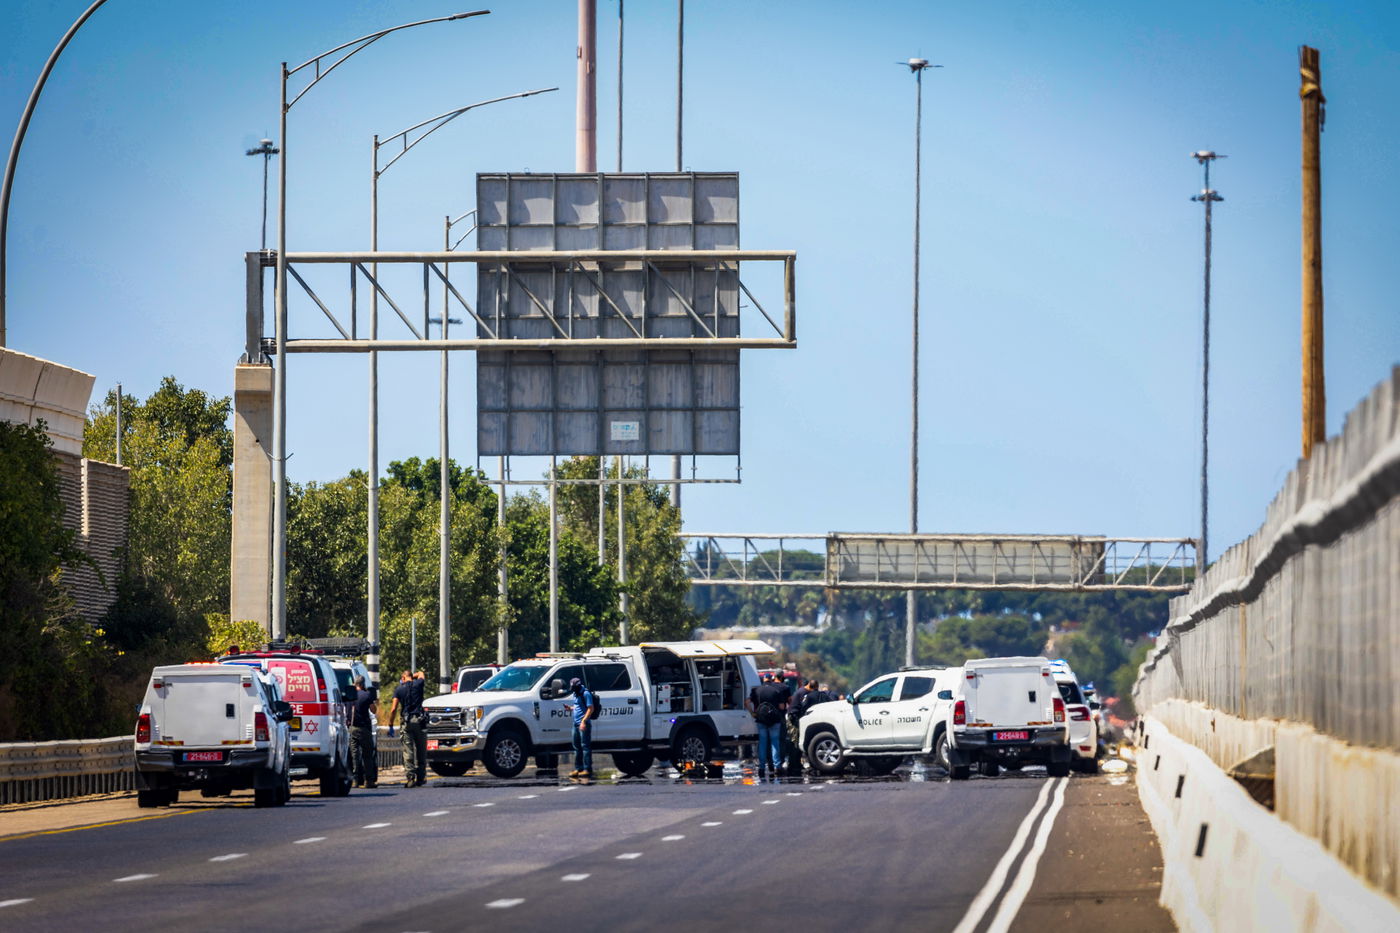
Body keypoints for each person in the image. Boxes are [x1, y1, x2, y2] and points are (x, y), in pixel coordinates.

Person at [386, 670, 427, 787]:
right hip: (420, 722)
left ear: (403, 678)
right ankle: (421, 777)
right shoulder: (418, 684)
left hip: (407, 722)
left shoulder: (399, 689)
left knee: (408, 750)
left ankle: (410, 778)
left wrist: (390, 724)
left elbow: (393, 709)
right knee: (421, 750)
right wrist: (411, 677)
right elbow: (421, 673)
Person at [747, 672, 788, 780]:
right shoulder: (776, 690)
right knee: (775, 743)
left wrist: (752, 713)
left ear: (763, 679)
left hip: (761, 719)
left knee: (763, 743)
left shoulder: (756, 690)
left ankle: (761, 768)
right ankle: (777, 766)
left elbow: (746, 702)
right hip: (774, 720)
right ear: (771, 679)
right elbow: (782, 706)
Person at [349, 675, 379, 789]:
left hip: (352, 728)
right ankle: (368, 780)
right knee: (367, 755)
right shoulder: (366, 695)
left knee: (355, 755)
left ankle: (355, 780)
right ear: (363, 684)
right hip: (364, 729)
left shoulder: (350, 695)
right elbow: (373, 710)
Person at [564, 677, 596, 780]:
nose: (573, 689)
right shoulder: (575, 693)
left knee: (585, 747)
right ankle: (578, 768)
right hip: (575, 724)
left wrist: (584, 721)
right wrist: (570, 708)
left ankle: (587, 768)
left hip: (584, 724)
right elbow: (578, 706)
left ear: (578, 686)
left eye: (574, 687)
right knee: (576, 747)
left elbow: (590, 708)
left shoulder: (586, 693)